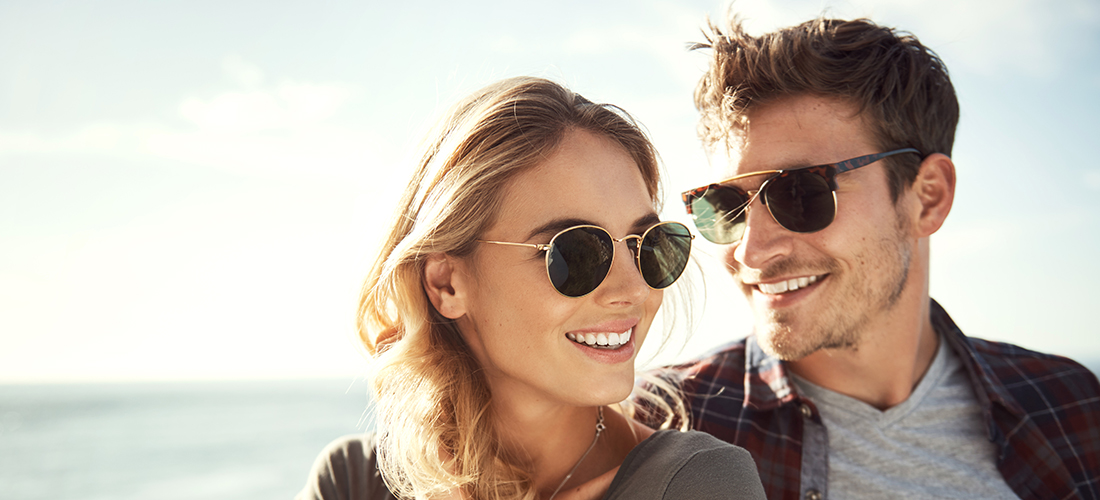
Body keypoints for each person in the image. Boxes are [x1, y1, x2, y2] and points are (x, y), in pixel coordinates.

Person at [658, 15, 1100, 500]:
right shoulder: (663, 433)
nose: (751, 250)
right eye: (724, 207)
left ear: (927, 197)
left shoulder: (1071, 405)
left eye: (800, 192)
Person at [296, 77, 766, 500]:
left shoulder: (699, 484)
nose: (634, 289)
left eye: (648, 244)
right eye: (577, 252)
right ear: (446, 283)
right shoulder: (354, 480)